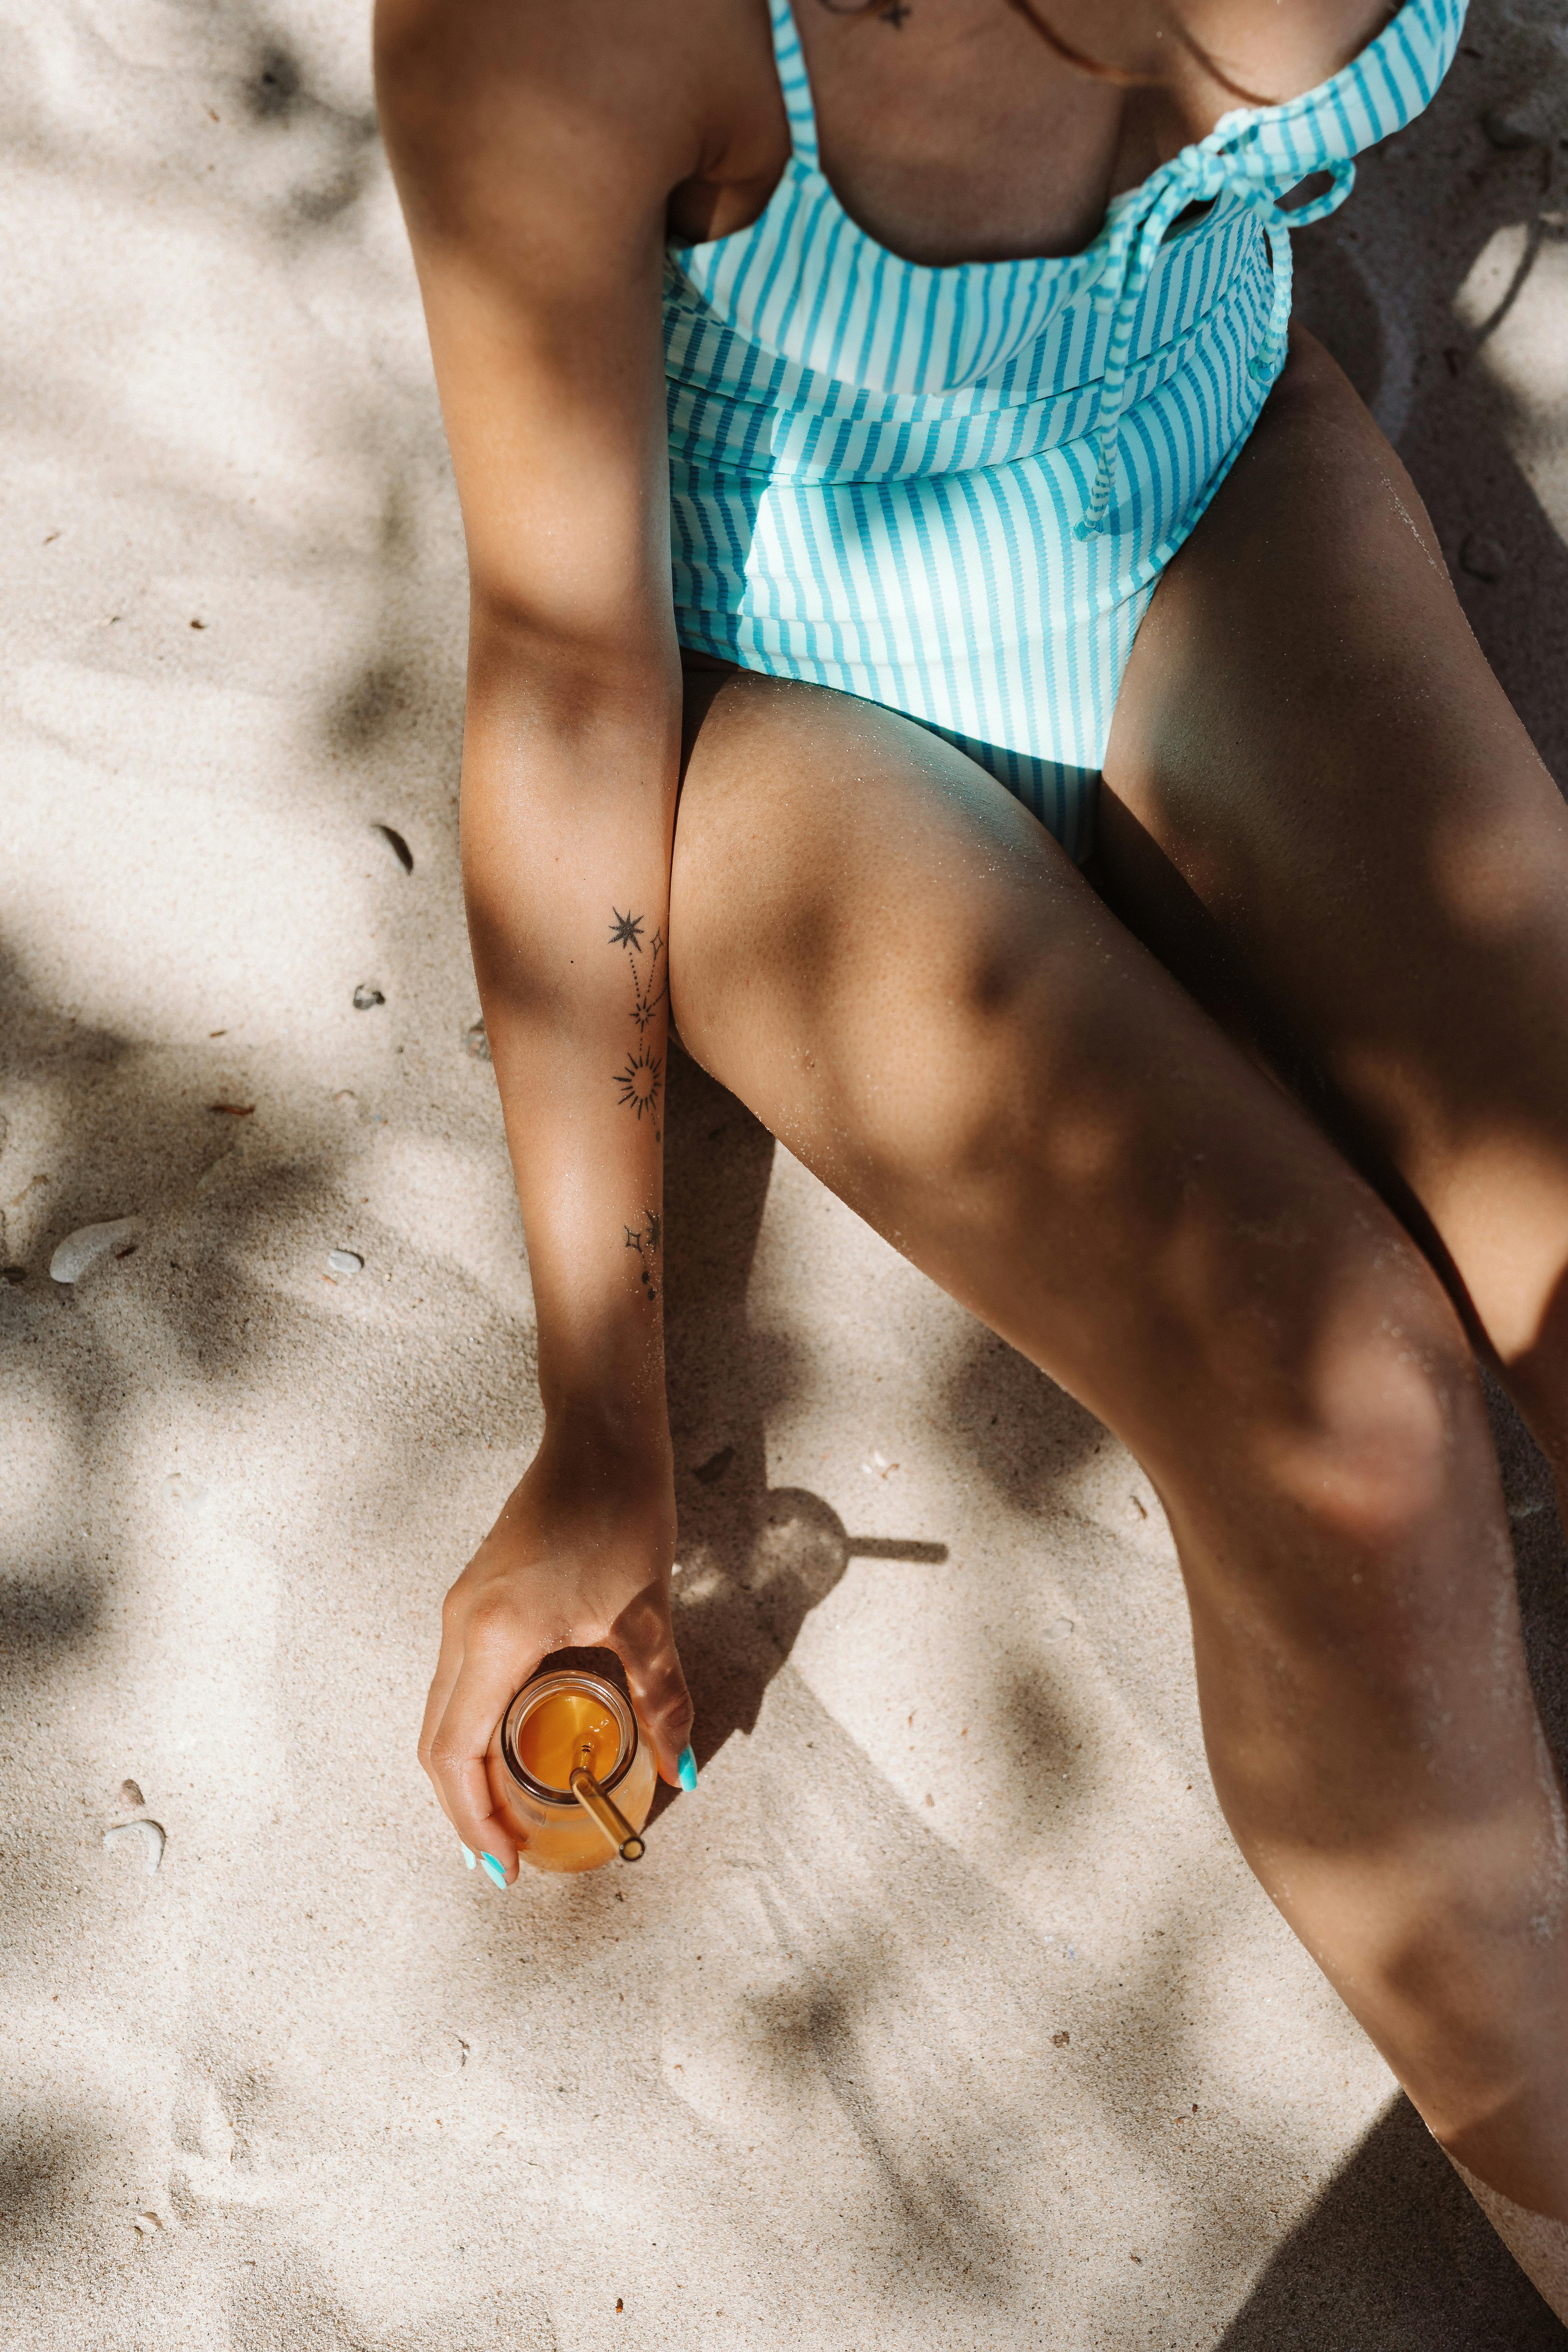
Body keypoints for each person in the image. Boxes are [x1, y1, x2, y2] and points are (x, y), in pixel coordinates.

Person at [376, 0, 1568, 2307]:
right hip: (783, 714)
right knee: (1344, 1417)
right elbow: (562, 672)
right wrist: (603, 1426)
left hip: (1213, 484)